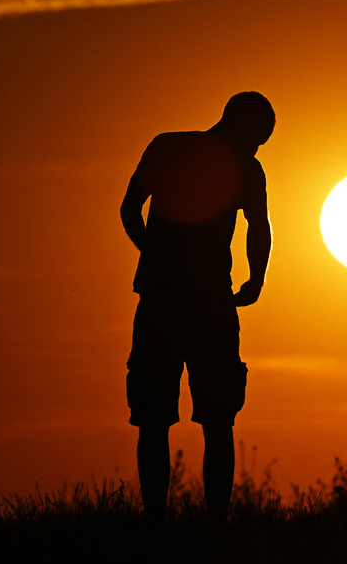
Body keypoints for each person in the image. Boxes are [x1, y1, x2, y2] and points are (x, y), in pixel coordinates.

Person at [120, 91, 274, 522]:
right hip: (208, 303)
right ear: (246, 128)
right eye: (259, 138)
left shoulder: (167, 147)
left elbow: (130, 208)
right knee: (216, 419)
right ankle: (213, 525)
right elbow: (258, 226)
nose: (258, 147)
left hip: (162, 299)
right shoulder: (246, 166)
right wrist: (256, 280)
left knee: (157, 419)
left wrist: (151, 253)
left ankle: (161, 523)